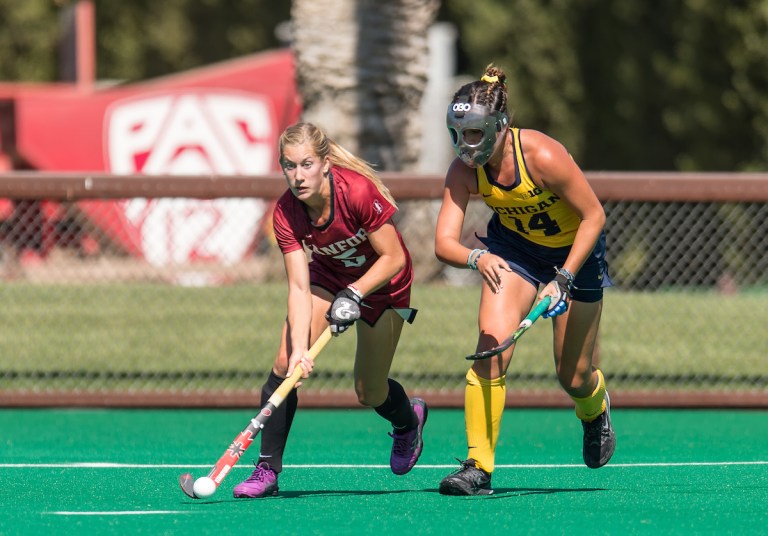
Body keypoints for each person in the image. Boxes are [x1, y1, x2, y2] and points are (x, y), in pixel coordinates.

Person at [434, 65, 616, 496]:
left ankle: (594, 407)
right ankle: (478, 467)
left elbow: (594, 217)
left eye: (475, 135)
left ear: (500, 127)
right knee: (490, 351)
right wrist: (477, 257)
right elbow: (444, 243)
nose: (465, 146)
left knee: (572, 376)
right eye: (457, 134)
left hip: (576, 255)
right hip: (514, 253)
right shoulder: (463, 171)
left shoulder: (542, 155)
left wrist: (564, 278)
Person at [233, 122, 428, 498]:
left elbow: (395, 258)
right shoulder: (286, 212)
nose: (298, 175)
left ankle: (408, 422)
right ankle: (267, 470)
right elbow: (298, 285)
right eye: (289, 166)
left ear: (324, 163)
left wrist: (354, 294)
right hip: (328, 277)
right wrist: (300, 352)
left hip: (383, 286)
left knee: (368, 391)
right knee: (284, 360)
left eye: (306, 164)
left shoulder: (355, 191)